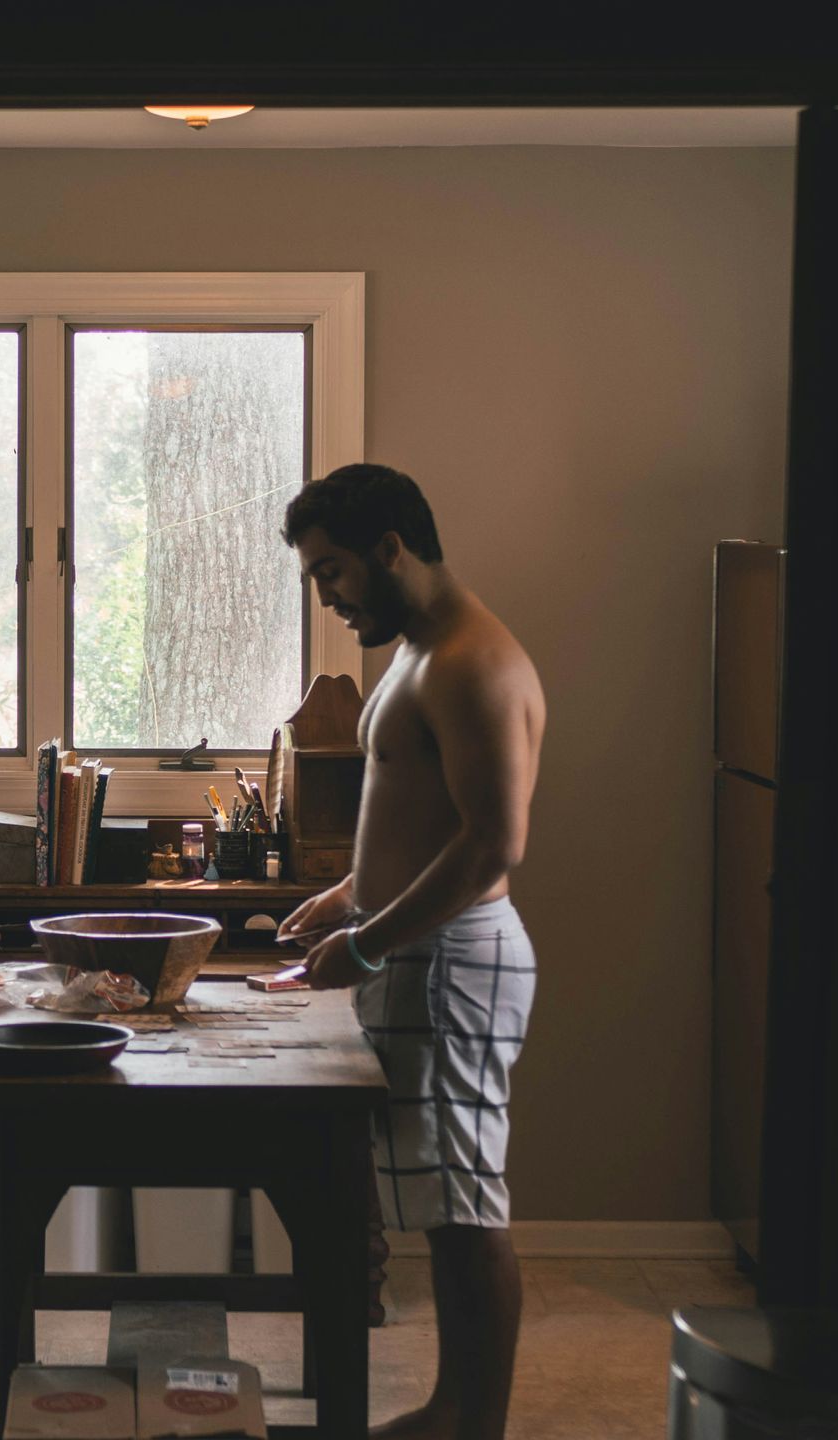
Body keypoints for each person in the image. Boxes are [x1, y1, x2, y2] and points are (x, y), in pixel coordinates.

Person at [278, 464, 546, 1440]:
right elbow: (422, 817)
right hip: (422, 955)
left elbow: (491, 844)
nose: (330, 598)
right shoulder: (423, 652)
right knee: (445, 1202)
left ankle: (476, 1426)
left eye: (333, 573)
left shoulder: (473, 661)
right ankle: (451, 1407)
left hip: (451, 963)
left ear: (390, 549)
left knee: (468, 1206)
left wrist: (369, 940)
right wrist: (345, 897)